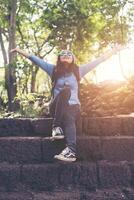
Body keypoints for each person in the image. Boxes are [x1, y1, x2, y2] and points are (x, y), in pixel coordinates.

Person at [10, 46, 121, 162]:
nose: (66, 55)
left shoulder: (79, 70)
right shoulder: (52, 69)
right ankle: (56, 127)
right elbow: (35, 59)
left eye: (69, 54)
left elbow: (98, 61)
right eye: (63, 54)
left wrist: (113, 50)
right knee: (66, 91)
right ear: (59, 58)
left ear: (73, 59)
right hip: (56, 106)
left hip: (74, 107)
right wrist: (19, 50)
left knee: (69, 116)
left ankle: (71, 151)